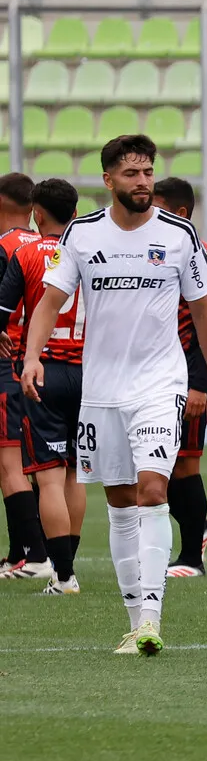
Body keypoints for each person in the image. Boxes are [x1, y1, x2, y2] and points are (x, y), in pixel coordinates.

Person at [24, 134, 207, 656]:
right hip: (101, 390)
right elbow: (49, 301)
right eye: (132, 173)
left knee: (153, 491)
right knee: (118, 503)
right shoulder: (82, 234)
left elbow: (205, 316)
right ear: (109, 179)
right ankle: (136, 620)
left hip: (160, 385)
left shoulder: (179, 235)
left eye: (148, 172)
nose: (142, 182)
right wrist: (31, 356)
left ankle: (153, 618)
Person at [0, 178, 86, 594]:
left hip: (43, 371)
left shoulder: (27, 253)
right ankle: (66, 567)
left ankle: (63, 575)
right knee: (76, 475)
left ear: (37, 213)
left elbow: (3, 309)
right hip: (89, 373)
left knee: (49, 478)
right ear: (76, 212)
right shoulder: (92, 252)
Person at [151, 177, 207, 578]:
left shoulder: (201, 257)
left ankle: (192, 556)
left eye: (158, 208)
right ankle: (197, 530)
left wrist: (201, 385)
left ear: (180, 213)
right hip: (153, 376)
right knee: (152, 467)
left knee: (183, 466)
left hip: (184, 379)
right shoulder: (160, 249)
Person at [0, 173, 46, 581]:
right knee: (36, 464)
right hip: (48, 363)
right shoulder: (49, 246)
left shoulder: (5, 246)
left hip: (9, 363)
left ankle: (34, 555)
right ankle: (21, 554)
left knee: (9, 463)